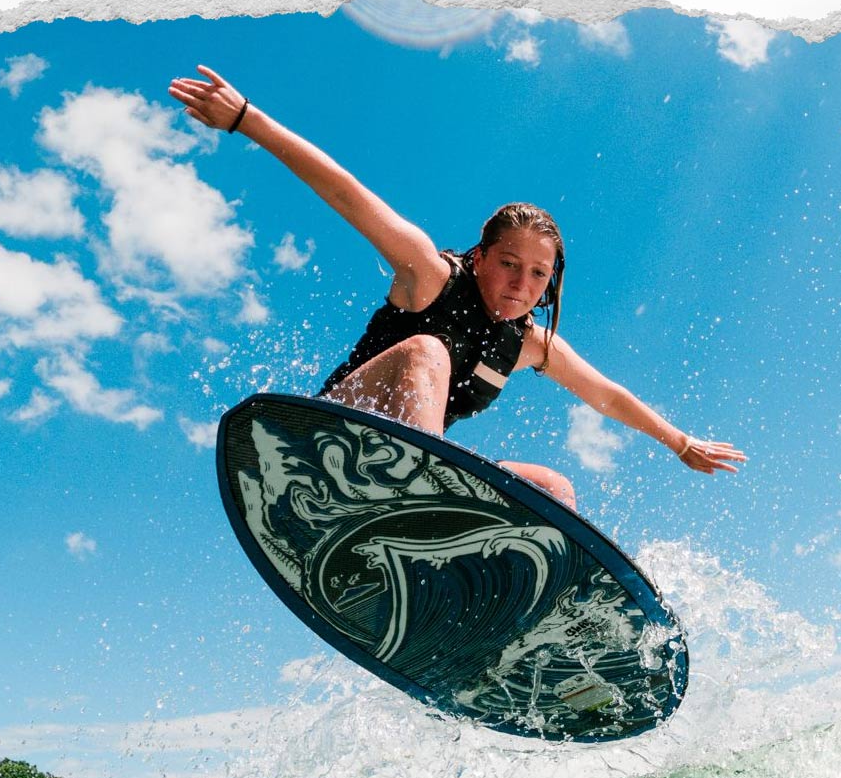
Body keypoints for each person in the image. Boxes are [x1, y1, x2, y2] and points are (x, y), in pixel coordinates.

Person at [167, 65, 745, 509]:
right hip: (325, 443)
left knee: (552, 489)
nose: (521, 284)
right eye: (508, 264)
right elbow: (346, 192)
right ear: (479, 256)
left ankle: (502, 608)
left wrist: (679, 442)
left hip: (398, 480)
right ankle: (427, 491)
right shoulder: (429, 274)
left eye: (537, 274)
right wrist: (248, 120)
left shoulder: (529, 344)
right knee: (426, 350)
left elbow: (607, 395)